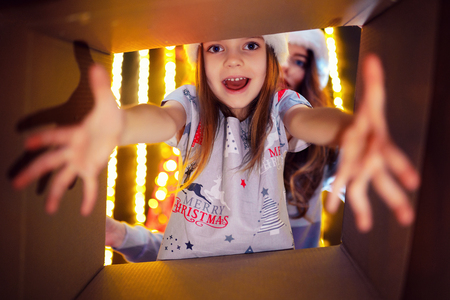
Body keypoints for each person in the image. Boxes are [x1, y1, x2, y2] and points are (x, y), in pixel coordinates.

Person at [12, 34, 419, 261]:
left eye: (251, 46)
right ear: (201, 60)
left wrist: (350, 129)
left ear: (272, 60)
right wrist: (118, 125)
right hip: (184, 277)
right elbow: (161, 118)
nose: (233, 61)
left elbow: (308, 121)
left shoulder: (282, 109)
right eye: (216, 48)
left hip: (270, 280)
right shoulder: (190, 104)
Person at [281, 29, 340, 249]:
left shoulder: (321, 145)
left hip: (299, 275)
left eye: (298, 61)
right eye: (278, 56)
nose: (285, 66)